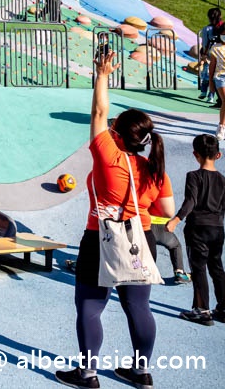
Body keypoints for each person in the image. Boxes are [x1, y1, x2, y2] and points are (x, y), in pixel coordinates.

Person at [56, 50, 174, 389]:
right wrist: (136, 210)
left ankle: (88, 373)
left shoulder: (109, 158)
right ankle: (141, 372)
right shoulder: (155, 168)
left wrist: (103, 74)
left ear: (118, 135)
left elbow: (98, 111)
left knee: (90, 306)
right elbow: (166, 211)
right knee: (139, 308)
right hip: (142, 239)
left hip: (101, 238)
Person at [167, 134, 225, 325]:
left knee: (199, 268)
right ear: (218, 155)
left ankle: (202, 310)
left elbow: (190, 200)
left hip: (197, 228)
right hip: (217, 228)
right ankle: (223, 307)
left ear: (195, 154)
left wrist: (176, 219)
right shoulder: (223, 180)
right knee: (216, 267)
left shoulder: (193, 176)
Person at [149, 214, 190, 284]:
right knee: (175, 246)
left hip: (146, 227)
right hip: (163, 227)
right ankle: (179, 273)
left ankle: (146, 273)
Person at [207, 25, 225, 139]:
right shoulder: (216, 48)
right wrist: (210, 82)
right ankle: (221, 126)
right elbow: (212, 66)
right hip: (220, 76)